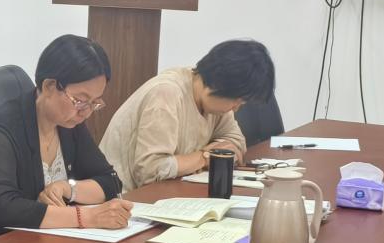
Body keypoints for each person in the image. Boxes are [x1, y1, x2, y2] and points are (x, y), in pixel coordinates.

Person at [0, 35, 133, 243]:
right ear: (49, 86)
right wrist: (87, 217)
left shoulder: (68, 123)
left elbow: (110, 181)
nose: (86, 112)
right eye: (80, 100)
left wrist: (68, 188)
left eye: (94, 102)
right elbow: (5, 207)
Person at [99, 39, 275, 189]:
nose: (236, 109)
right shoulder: (166, 94)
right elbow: (150, 171)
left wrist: (202, 157)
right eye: (237, 101)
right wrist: (206, 157)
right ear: (218, 84)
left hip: (168, 193)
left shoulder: (215, 103)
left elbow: (236, 143)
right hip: (122, 199)